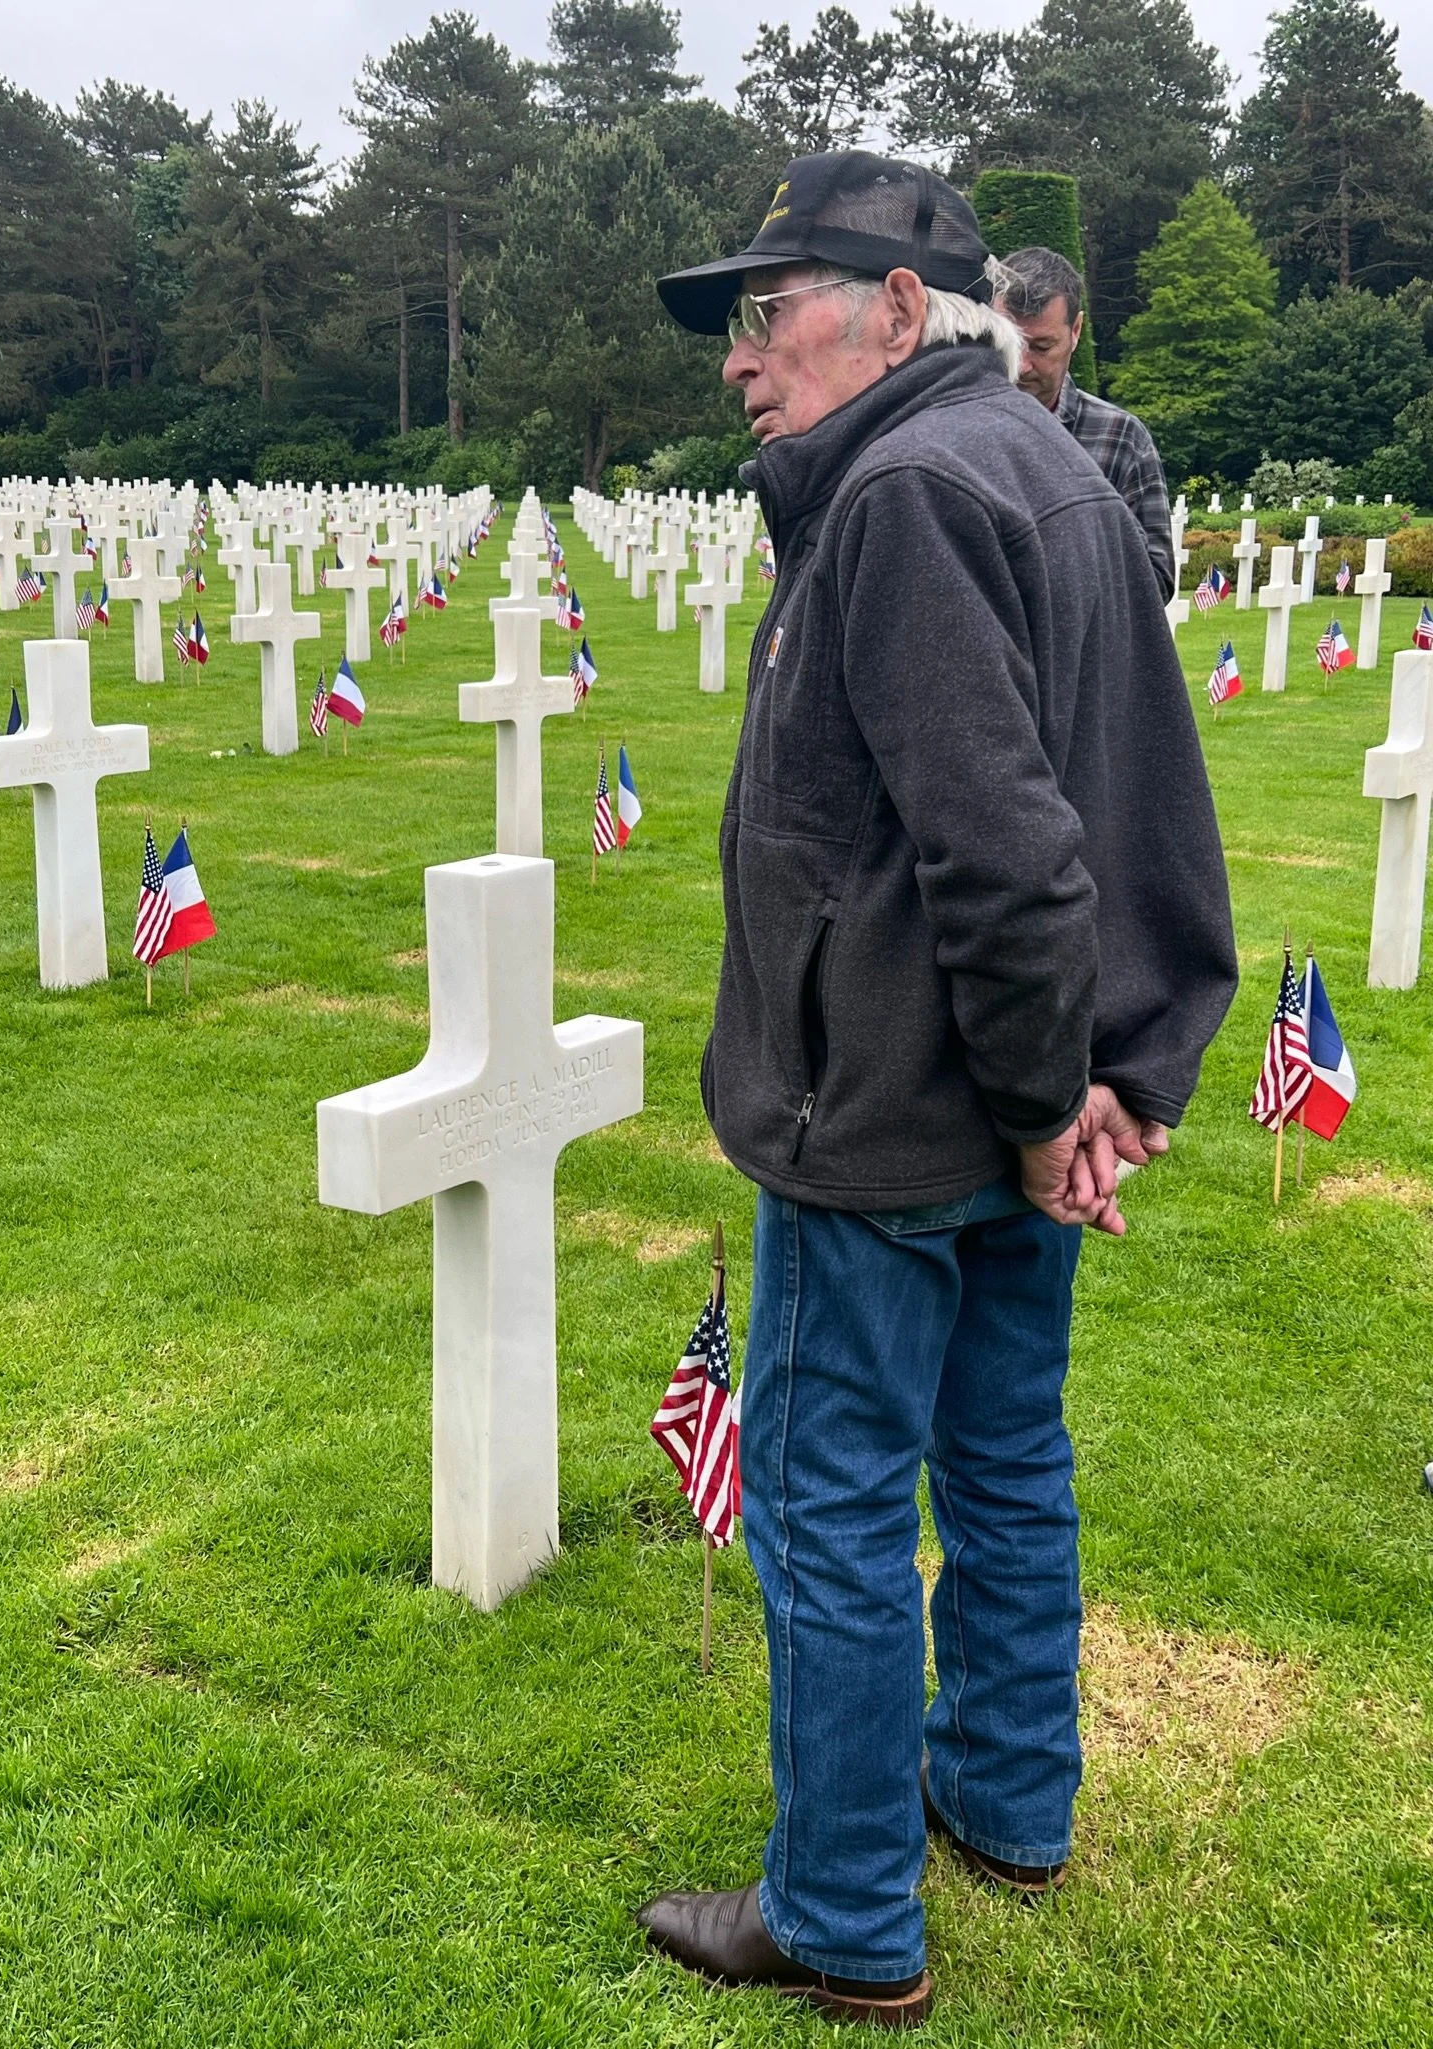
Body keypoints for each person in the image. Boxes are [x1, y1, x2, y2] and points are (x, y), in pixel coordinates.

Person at [636, 152, 1237, 2028]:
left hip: (891, 1107)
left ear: (902, 311)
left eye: (769, 307)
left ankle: (839, 1910)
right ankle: (1003, 1800)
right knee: (1003, 1457)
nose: (740, 359)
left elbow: (1011, 847)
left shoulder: (901, 491)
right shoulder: (1040, 462)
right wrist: (1095, 1084)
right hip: (1002, 1097)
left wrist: (1059, 1084)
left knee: (829, 1499)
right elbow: (1126, 807)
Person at [993, 245, 1176, 599]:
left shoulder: (1121, 438)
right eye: (1010, 344)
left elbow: (1156, 582)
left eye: (1042, 347)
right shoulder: (956, 431)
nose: (1022, 365)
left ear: (1076, 330)